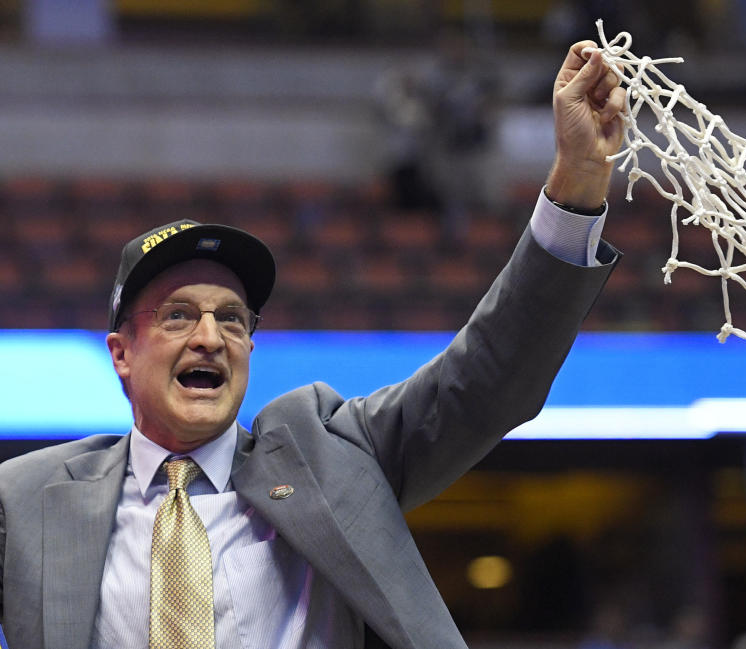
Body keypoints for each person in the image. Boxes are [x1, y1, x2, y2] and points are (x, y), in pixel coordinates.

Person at [0, 41, 627, 649]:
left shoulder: (332, 457)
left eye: (234, 320)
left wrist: (576, 179)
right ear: (121, 353)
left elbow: (487, 377)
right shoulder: (25, 499)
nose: (211, 339)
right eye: (178, 316)